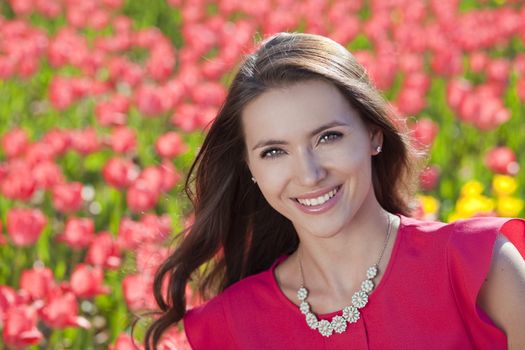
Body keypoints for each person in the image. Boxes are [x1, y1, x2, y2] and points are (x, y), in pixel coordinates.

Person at [144, 32, 525, 349]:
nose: (309, 174)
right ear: (251, 168)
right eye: (274, 151)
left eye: (328, 137)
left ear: (373, 134)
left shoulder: (477, 265)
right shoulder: (227, 328)